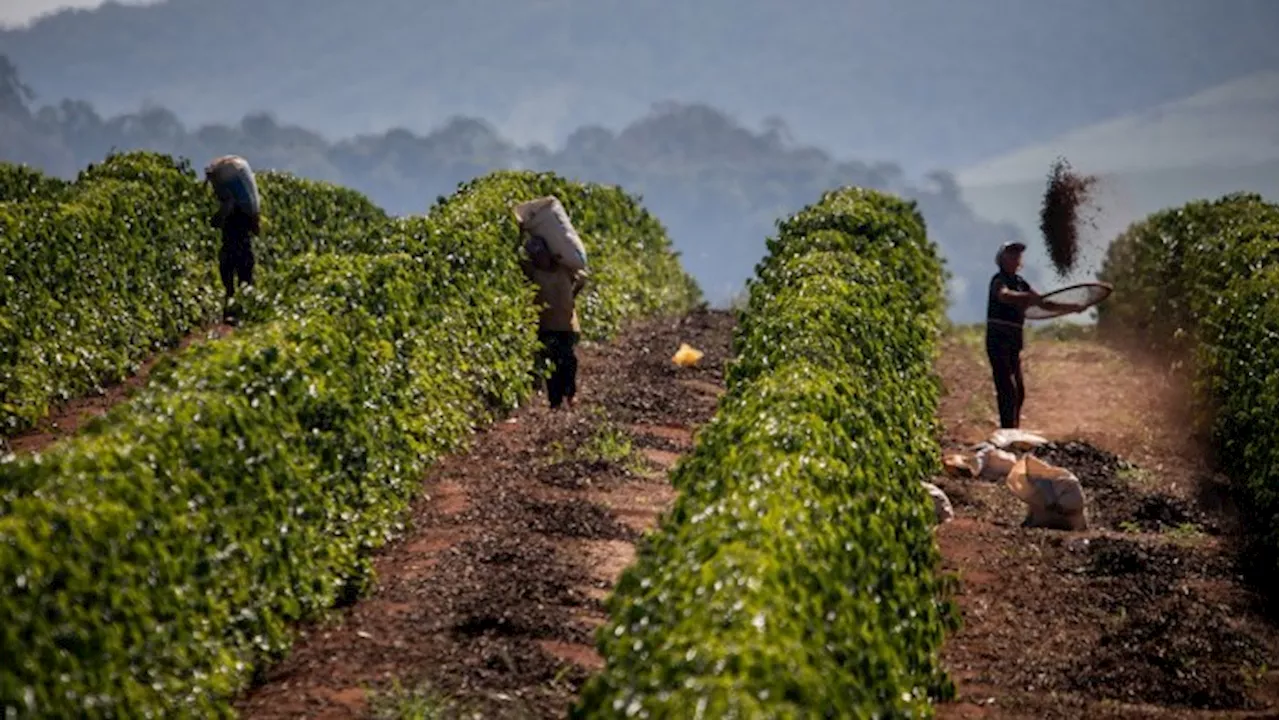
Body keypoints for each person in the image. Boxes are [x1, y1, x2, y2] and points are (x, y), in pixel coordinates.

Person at [986, 242, 1085, 428]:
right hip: (997, 339)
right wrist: (1027, 298)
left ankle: (1012, 428)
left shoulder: (1022, 283)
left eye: (1018, 255)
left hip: (1014, 340)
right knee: (1008, 388)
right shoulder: (998, 280)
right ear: (1002, 259)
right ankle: (1007, 430)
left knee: (1019, 391)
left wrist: (1072, 307)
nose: (1015, 258)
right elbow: (1004, 295)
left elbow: (1043, 303)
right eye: (1011, 254)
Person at [520, 233, 587, 410]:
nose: (541, 259)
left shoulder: (564, 270)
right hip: (546, 326)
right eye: (537, 256)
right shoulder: (534, 272)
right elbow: (516, 260)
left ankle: (571, 394)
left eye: (542, 255)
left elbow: (583, 278)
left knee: (569, 361)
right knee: (552, 365)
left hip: (568, 324)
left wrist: (572, 297)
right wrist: (520, 235)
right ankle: (555, 402)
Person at [204, 155, 261, 322]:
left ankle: (233, 307)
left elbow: (228, 204)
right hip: (242, 229)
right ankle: (243, 307)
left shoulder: (225, 185)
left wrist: (217, 219)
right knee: (244, 268)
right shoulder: (246, 204)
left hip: (234, 229)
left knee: (230, 266)